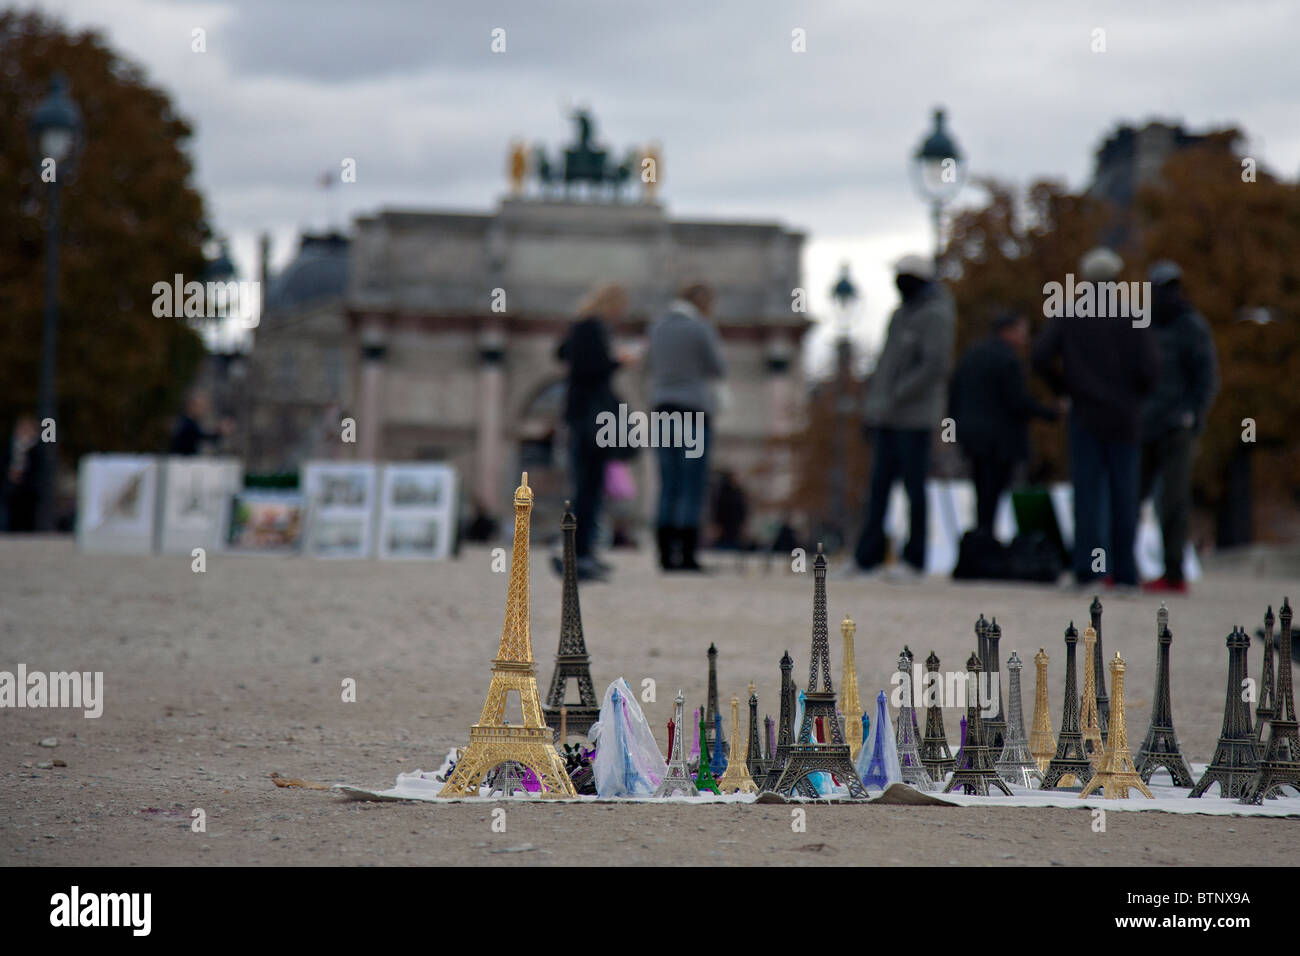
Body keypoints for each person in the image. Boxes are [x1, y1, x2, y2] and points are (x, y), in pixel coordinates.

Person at [1031, 247, 1160, 589]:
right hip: (1125, 417)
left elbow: (1040, 355)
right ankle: (1126, 574)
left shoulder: (1070, 313)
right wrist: (1133, 396)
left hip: (1085, 414)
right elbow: (1151, 369)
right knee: (1125, 496)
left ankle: (1088, 570)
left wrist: (1065, 388)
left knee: (1088, 496)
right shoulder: (1133, 315)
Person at [853, 254, 957, 576]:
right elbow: (884, 365)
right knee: (878, 488)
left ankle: (914, 560)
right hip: (888, 416)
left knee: (914, 490)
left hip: (915, 418)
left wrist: (895, 396)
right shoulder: (900, 314)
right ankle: (866, 558)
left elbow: (934, 366)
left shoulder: (936, 315)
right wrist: (874, 406)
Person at [1139, 260, 1219, 594]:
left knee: (1172, 501)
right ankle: (1123, 568)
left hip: (1175, 426)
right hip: (1144, 423)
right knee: (1131, 499)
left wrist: (1192, 415)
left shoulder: (1191, 326)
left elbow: (1206, 376)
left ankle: (1173, 573)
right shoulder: (1143, 324)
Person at [948, 312, 1059, 536]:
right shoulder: (1008, 359)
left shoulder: (971, 354)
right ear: (1007, 331)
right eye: (1021, 332)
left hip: (972, 437)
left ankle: (981, 539)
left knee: (981, 491)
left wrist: (955, 430)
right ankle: (986, 540)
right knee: (993, 492)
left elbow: (954, 392)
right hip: (1000, 441)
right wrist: (1051, 413)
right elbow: (1017, 401)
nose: (1025, 339)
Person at [647, 281, 726, 572]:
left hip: (663, 409)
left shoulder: (656, 327)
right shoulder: (701, 328)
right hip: (694, 410)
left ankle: (665, 555)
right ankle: (687, 555)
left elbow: (650, 364)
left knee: (668, 482)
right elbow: (719, 368)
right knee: (692, 484)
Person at [557, 282, 628, 580]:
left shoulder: (578, 327)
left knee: (588, 486)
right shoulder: (591, 328)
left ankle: (582, 552)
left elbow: (561, 353)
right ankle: (578, 555)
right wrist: (618, 361)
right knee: (588, 487)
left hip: (581, 416)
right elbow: (590, 369)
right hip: (591, 418)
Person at [1, 414, 40, 532]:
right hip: (9, 489)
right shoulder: (8, 447)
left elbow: (38, 471)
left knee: (27, 519)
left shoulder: (38, 449)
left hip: (28, 491)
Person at [169, 390, 232, 456]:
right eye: (200, 406)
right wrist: (219, 432)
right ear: (192, 406)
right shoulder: (187, 424)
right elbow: (202, 436)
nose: (203, 410)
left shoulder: (188, 422)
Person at [711, 469, 748, 550]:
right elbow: (718, 510)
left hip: (735, 527)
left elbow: (742, 511)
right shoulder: (723, 493)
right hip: (724, 527)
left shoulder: (739, 493)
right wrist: (717, 525)